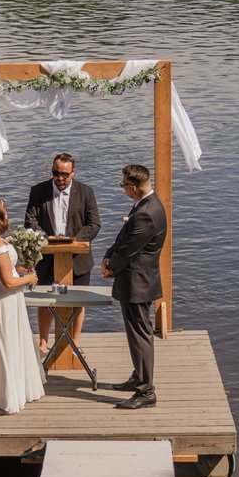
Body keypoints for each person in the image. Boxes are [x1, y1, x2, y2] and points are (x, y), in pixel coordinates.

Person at [101, 163, 168, 411]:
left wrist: (110, 267)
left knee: (140, 335)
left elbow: (129, 249)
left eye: (123, 186)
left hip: (138, 282)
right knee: (137, 333)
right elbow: (123, 238)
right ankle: (138, 377)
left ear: (133, 186)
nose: (123, 190)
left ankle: (146, 391)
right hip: (137, 280)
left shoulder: (147, 213)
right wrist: (108, 255)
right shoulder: (146, 205)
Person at [24, 152, 101, 355]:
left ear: (73, 173)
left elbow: (94, 225)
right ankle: (43, 343)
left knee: (78, 302)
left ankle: (73, 343)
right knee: (45, 301)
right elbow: (30, 222)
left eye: (64, 175)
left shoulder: (85, 192)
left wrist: (73, 241)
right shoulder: (38, 191)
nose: (59, 178)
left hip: (78, 259)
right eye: (56, 173)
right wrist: (46, 239)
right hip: (47, 257)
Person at [0, 196, 45, 414]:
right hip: (2, 299)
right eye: (5, 211)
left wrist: (19, 269)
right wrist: (30, 279)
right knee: (7, 344)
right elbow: (8, 282)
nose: (7, 213)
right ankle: (7, 395)